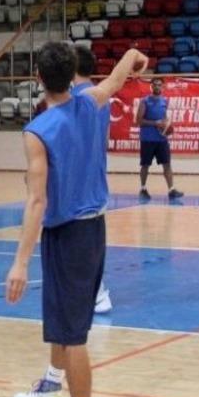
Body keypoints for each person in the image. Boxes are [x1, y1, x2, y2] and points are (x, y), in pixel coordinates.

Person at [6, 43, 148, 397]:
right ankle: (52, 388)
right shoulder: (90, 102)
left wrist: (19, 263)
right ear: (72, 77)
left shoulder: (37, 132)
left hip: (67, 235)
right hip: (94, 230)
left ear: (37, 78)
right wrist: (134, 53)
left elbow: (37, 201)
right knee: (64, 323)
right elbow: (117, 78)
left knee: (73, 338)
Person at [71, 45, 112, 315]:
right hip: (97, 180)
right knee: (88, 243)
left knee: (78, 244)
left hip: (78, 185)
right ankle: (94, 291)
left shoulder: (76, 99)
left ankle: (98, 293)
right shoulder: (102, 97)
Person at [134, 77, 183, 202]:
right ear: (151, 86)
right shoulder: (145, 101)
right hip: (148, 139)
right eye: (154, 84)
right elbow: (138, 121)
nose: (157, 87)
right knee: (145, 165)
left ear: (162, 87)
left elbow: (164, 119)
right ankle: (143, 189)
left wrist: (167, 126)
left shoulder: (164, 101)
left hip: (161, 139)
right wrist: (155, 123)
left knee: (167, 164)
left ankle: (171, 190)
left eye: (159, 85)